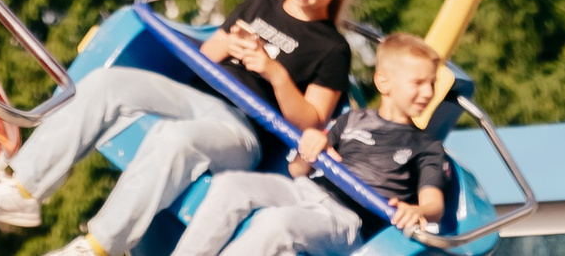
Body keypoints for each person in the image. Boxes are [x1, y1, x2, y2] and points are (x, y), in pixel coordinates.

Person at [0, 0, 363, 256]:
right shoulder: (262, 1)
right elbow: (208, 54)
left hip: (242, 132)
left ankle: (98, 245)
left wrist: (275, 73)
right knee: (109, 83)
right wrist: (227, 45)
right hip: (197, 97)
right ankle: (22, 189)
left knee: (178, 137)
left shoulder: (331, 48)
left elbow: (311, 121)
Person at [169, 32, 452, 256]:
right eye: (418, 83)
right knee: (231, 185)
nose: (428, 92)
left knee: (276, 224)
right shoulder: (352, 119)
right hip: (307, 190)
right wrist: (311, 143)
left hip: (346, 220)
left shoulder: (426, 145)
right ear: (383, 82)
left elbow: (433, 204)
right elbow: (297, 170)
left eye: (432, 83)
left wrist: (418, 211)